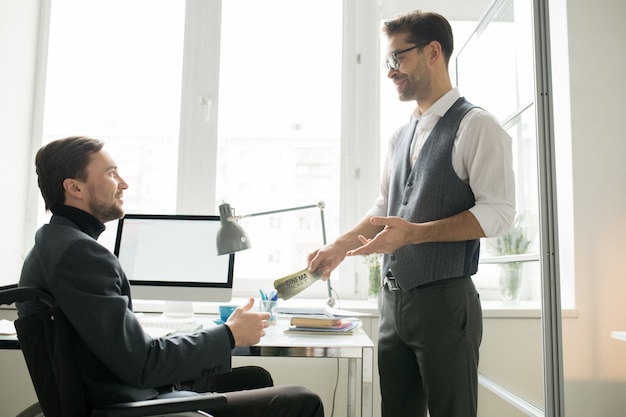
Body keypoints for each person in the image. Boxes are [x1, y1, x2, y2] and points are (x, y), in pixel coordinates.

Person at [18, 136, 324, 417]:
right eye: (111, 174)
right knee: (302, 399)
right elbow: (141, 364)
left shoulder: (55, 243)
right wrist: (229, 334)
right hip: (126, 405)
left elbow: (118, 350)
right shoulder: (80, 254)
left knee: (254, 378)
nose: (123, 184)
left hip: (120, 390)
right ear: (75, 188)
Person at [308, 10, 516, 417]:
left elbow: (499, 214)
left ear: (433, 52)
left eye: (397, 59)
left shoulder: (477, 126)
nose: (390, 72)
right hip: (392, 305)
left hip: (445, 303)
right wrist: (337, 247)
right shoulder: (401, 135)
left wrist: (415, 234)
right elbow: (385, 209)